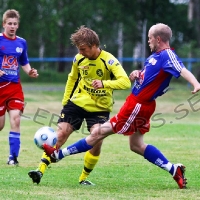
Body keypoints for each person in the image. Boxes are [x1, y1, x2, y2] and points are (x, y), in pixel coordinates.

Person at [43, 23, 200, 189]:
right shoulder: (156, 56)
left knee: (98, 133)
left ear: (158, 39)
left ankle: (58, 154)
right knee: (136, 145)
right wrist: (137, 74)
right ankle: (174, 169)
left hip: (137, 105)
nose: (148, 42)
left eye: (149, 38)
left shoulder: (167, 54)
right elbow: (151, 78)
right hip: (140, 104)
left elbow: (181, 69)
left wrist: (195, 83)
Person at [28, 26, 131, 185]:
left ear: (94, 46)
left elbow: (125, 82)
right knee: (60, 135)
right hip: (76, 103)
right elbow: (72, 79)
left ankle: (83, 178)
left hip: (100, 108)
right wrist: (65, 101)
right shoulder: (78, 59)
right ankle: (39, 171)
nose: (80, 52)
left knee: (97, 140)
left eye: (83, 49)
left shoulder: (109, 60)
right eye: (79, 49)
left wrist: (104, 83)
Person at [0, 9, 38, 165]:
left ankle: (13, 158)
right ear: (4, 24)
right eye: (9, 23)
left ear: (18, 25)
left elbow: (24, 61)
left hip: (15, 88)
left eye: (15, 24)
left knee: (16, 120)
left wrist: (30, 71)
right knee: (0, 125)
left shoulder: (21, 42)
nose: (12, 26)